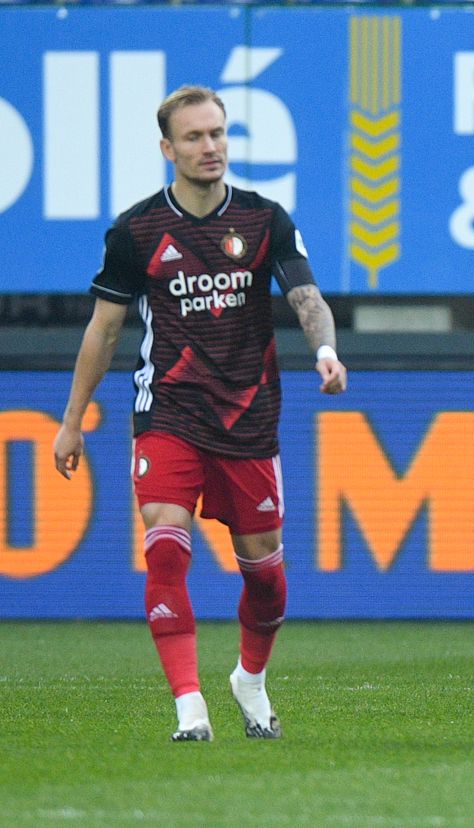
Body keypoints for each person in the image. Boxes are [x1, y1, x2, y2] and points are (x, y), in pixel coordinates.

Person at [53, 85, 348, 741]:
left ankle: (250, 678)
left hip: (248, 416)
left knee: (266, 576)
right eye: (194, 137)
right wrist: (72, 420)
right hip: (169, 407)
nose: (210, 146)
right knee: (164, 543)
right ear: (168, 149)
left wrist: (325, 349)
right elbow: (103, 332)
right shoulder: (136, 232)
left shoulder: (264, 218)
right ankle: (189, 705)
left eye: (217, 133)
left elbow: (307, 297)